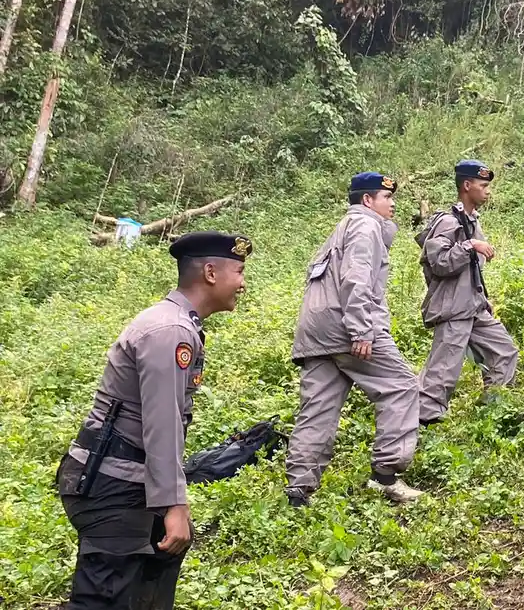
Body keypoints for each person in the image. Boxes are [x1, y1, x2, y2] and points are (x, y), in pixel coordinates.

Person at [55, 231, 252, 609]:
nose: (243, 283)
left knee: (162, 559)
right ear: (211, 273)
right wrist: (174, 504)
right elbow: (162, 424)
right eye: (239, 272)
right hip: (111, 483)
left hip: (126, 478)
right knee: (105, 597)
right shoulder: (171, 331)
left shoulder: (178, 323)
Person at [286, 172, 423, 506]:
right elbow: (355, 279)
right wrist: (362, 329)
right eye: (387, 198)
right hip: (346, 326)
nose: (392, 205)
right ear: (367, 201)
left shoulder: (342, 228)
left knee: (318, 408)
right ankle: (386, 477)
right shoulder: (365, 226)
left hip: (317, 331)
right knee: (401, 386)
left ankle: (299, 490)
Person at [416, 159, 519, 425]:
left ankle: (494, 410)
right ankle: (423, 422)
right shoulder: (449, 222)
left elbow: (472, 271)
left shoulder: (471, 221)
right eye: (483, 185)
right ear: (467, 185)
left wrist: (484, 299)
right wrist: (470, 246)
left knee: (504, 351)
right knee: (443, 370)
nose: (488, 191)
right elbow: (439, 262)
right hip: (453, 308)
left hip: (473, 306)